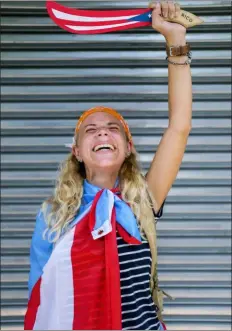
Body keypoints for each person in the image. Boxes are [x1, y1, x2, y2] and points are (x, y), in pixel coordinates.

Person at [24, 1, 192, 330]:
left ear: (128, 148)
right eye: (91, 129)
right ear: (77, 151)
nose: (102, 130)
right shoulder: (53, 216)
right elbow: (40, 300)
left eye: (113, 128)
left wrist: (175, 39)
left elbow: (179, 125)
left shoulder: (143, 199)